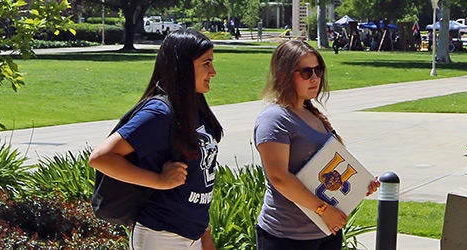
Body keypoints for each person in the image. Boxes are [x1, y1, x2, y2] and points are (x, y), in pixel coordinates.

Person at [87, 30, 223, 250]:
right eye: (206, 63)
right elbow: (101, 158)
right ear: (184, 67)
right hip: (160, 237)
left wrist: (205, 236)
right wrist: (159, 180)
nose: (213, 71)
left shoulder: (195, 107)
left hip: (193, 236)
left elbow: (197, 180)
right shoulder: (160, 112)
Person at [252, 40, 378, 249]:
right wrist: (324, 211)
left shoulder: (311, 113)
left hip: (326, 233)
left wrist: (360, 184)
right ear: (284, 74)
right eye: (306, 72)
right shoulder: (274, 119)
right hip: (286, 238)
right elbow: (279, 178)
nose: (315, 78)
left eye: (318, 71)